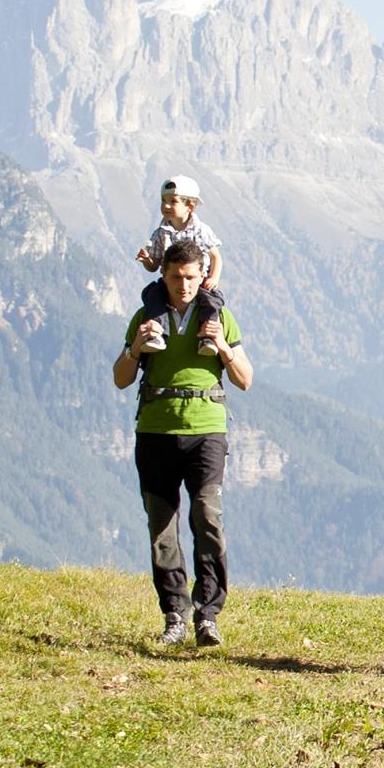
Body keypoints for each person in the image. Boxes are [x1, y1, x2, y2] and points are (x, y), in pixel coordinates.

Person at [112, 239, 253, 648]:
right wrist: (137, 347)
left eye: (191, 277)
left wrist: (223, 348)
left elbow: (245, 379)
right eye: (176, 277)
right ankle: (175, 612)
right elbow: (121, 378)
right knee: (162, 525)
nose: (184, 285)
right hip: (155, 429)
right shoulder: (146, 317)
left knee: (207, 516)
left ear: (202, 275)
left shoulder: (219, 316)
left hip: (207, 428)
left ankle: (208, 614)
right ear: (165, 276)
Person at [136, 174, 226, 357]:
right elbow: (154, 266)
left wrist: (213, 278)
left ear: (190, 206)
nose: (166, 206)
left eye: (173, 201)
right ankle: (157, 333)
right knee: (152, 295)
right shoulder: (161, 233)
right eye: (163, 201)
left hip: (199, 281)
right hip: (171, 281)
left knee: (211, 301)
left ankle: (207, 337)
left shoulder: (201, 230)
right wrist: (148, 261)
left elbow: (215, 257)